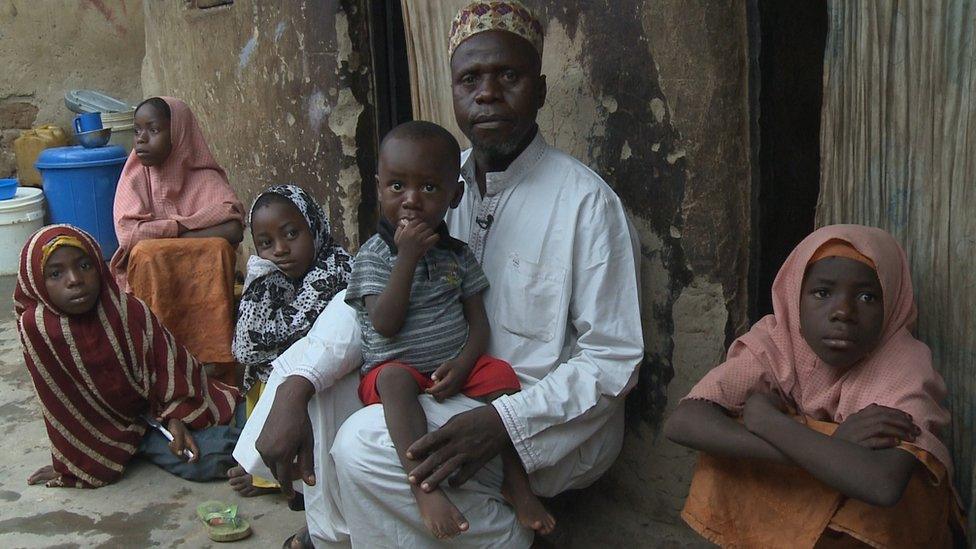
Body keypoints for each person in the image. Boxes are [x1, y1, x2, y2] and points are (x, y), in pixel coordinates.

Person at [235, 2, 643, 547]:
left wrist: (507, 422)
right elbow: (364, 298)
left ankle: (510, 538)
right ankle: (335, 537)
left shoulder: (586, 204)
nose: (488, 93)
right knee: (323, 395)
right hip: (437, 389)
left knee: (363, 445)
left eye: (509, 77)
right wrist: (293, 386)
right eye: (470, 78)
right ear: (452, 93)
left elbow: (611, 358)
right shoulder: (428, 176)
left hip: (531, 416)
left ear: (540, 91)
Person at [664, 224, 964, 548]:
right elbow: (684, 422)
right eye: (822, 293)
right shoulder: (777, 343)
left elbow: (883, 485)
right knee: (722, 453)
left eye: (867, 296)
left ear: (891, 302)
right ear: (795, 296)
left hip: (873, 530)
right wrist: (831, 444)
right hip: (818, 494)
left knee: (901, 488)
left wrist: (769, 423)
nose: (843, 312)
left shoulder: (902, 364)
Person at [345, 121, 554, 539]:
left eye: (428, 188)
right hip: (394, 368)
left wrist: (464, 364)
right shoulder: (373, 256)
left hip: (450, 366)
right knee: (395, 381)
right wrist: (406, 259)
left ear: (454, 195)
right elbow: (384, 324)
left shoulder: (457, 256)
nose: (410, 201)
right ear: (378, 187)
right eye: (396, 187)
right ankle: (424, 487)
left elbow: (479, 323)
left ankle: (516, 482)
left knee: (502, 379)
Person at [18, 225, 241, 489]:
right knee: (207, 459)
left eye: (85, 266)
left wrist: (176, 416)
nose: (75, 279)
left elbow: (166, 366)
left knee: (238, 425)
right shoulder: (38, 329)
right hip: (116, 430)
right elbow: (63, 404)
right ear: (36, 283)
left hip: (162, 408)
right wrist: (75, 460)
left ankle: (268, 449)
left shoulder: (126, 309)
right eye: (56, 274)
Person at [228, 184, 352, 496]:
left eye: (291, 235)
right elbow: (245, 348)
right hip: (289, 373)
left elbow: (258, 339)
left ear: (314, 226)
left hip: (326, 381)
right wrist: (264, 275)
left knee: (285, 377)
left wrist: (261, 278)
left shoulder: (335, 270)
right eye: (266, 243)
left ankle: (282, 472)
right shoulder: (279, 275)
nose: (280, 249)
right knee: (261, 382)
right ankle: (266, 467)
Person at [110, 96, 245, 383]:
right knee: (147, 254)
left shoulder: (203, 178)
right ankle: (159, 358)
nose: (142, 140)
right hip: (155, 285)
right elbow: (129, 234)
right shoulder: (134, 178)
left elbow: (233, 228)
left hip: (200, 285)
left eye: (154, 130)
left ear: (179, 133)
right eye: (137, 131)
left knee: (217, 249)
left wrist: (163, 231)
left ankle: (211, 357)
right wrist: (190, 229)